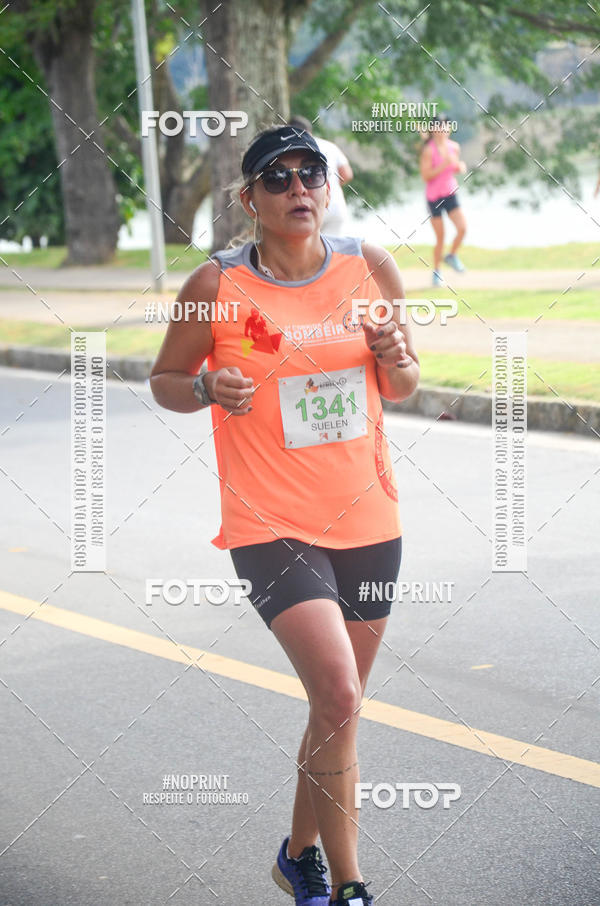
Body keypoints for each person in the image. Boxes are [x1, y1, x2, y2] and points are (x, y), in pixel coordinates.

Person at [149, 125, 419, 906]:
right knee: (338, 696)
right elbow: (165, 377)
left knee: (336, 713)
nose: (299, 187)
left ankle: (295, 853)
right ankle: (351, 886)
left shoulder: (370, 266)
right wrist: (206, 388)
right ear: (249, 199)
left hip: (370, 519)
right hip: (269, 523)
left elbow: (401, 387)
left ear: (327, 189)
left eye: (312, 174)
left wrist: (394, 355)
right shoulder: (217, 284)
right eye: (278, 177)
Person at [419, 113, 468, 286]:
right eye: (438, 127)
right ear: (433, 130)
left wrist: (459, 167)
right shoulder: (428, 150)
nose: (442, 130)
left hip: (450, 193)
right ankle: (437, 271)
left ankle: (452, 255)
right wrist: (444, 164)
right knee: (441, 237)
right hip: (434, 197)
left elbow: (454, 165)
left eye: (445, 127)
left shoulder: (454, 147)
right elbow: (426, 176)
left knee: (463, 228)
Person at [288, 115, 353, 236]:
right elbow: (347, 174)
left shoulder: (292, 149)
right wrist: (327, 185)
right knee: (335, 250)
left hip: (309, 208)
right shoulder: (330, 146)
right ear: (309, 130)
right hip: (336, 206)